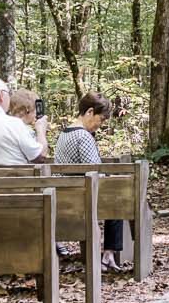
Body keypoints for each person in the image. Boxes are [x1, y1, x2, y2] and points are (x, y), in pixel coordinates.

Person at [52, 93, 130, 273]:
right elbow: (96, 171)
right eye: (100, 119)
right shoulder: (83, 136)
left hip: (67, 192)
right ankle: (108, 254)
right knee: (117, 199)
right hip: (81, 196)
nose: (100, 125)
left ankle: (107, 254)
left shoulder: (65, 132)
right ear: (89, 112)